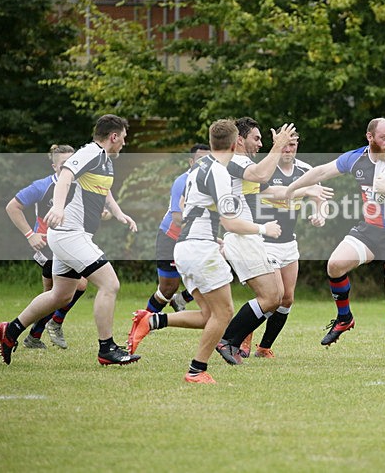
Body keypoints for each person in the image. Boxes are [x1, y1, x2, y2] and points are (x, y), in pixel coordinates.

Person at [126, 119, 282, 384]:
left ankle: (152, 321)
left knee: (208, 316)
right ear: (235, 144)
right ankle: (196, 370)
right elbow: (230, 221)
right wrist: (263, 229)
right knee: (223, 314)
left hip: (186, 247)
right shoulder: (220, 173)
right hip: (199, 248)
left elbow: (187, 205)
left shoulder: (198, 167)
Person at [0, 114, 140, 366]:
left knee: (61, 295)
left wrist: (119, 214)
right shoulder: (91, 152)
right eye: (123, 138)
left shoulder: (104, 160)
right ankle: (106, 348)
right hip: (70, 234)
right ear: (113, 136)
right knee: (110, 284)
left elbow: (103, 190)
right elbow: (65, 175)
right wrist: (59, 207)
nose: (124, 144)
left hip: (70, 236)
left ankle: (11, 330)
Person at [285, 117, 385, 367]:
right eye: (384, 138)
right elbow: (323, 171)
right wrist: (291, 188)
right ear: (370, 137)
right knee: (335, 265)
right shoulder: (357, 158)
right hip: (370, 230)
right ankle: (344, 317)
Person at [212, 117, 297, 364]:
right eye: (256, 138)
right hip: (241, 236)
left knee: (278, 295)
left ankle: (231, 341)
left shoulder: (244, 164)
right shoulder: (236, 160)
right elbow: (262, 174)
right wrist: (278, 146)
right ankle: (228, 340)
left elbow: (271, 190)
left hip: (249, 237)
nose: (260, 144)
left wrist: (307, 189)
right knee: (271, 297)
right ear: (239, 140)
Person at [243, 130, 326, 358]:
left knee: (287, 299)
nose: (288, 150)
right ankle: (243, 333)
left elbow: (320, 196)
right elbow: (269, 194)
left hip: (289, 242)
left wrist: (321, 214)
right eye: (284, 145)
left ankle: (264, 347)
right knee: (273, 296)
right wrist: (302, 190)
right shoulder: (265, 169)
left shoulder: (305, 170)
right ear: (276, 143)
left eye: (292, 145)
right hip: (265, 241)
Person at [4, 145, 88, 349]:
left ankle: (36, 333)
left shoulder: (79, 186)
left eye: (72, 164)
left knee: (60, 292)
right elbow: (12, 207)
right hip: (46, 246)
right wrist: (30, 235)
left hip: (67, 244)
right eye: (63, 165)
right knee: (61, 292)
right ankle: (45, 327)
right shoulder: (42, 186)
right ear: (54, 167)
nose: (68, 169)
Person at [144, 144, 211, 314]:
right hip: (170, 238)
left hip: (193, 239)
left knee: (210, 275)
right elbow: (177, 218)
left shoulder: (211, 182)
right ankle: (144, 320)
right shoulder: (182, 182)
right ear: (191, 162)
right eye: (200, 160)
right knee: (168, 288)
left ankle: (180, 300)